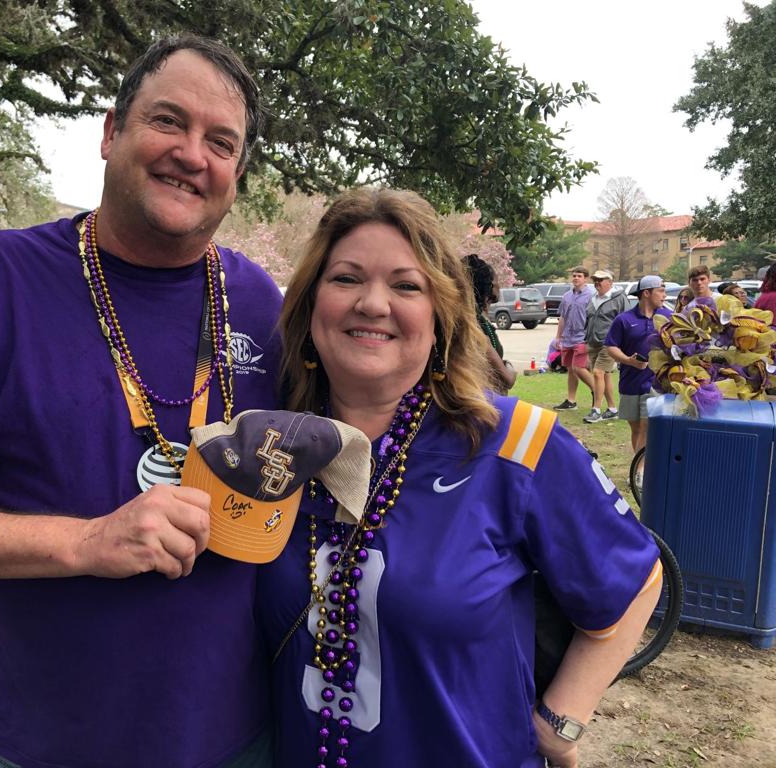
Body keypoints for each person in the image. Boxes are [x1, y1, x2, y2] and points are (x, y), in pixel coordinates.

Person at [0, 35, 282, 768]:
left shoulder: (256, 298)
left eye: (221, 141)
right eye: (168, 121)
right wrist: (85, 543)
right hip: (49, 743)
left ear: (236, 172)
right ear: (112, 132)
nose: (191, 153)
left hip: (243, 738)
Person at [260, 188, 662, 768]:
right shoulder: (277, 444)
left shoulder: (516, 441)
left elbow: (638, 578)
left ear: (441, 313)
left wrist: (560, 723)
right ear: (309, 302)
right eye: (346, 278)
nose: (373, 303)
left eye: (406, 285)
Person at [605, 275, 672, 456]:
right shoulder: (624, 319)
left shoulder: (668, 317)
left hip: (656, 382)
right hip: (630, 382)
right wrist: (629, 361)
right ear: (646, 293)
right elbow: (610, 346)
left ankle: (640, 472)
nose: (664, 295)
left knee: (646, 427)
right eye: (661, 290)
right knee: (636, 429)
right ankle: (638, 466)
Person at [463, 253, 516, 392]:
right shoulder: (473, 327)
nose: (499, 285)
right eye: (497, 280)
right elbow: (507, 380)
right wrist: (508, 367)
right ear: (489, 285)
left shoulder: (472, 320)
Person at [582, 270, 625, 423]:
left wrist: (622, 342)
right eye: (595, 280)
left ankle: (596, 410)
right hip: (593, 342)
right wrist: (586, 339)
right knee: (604, 375)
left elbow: (624, 320)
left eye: (600, 280)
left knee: (598, 373)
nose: (597, 283)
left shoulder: (618, 298)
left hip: (610, 343)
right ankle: (612, 409)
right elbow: (588, 320)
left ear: (610, 282)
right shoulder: (593, 298)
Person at [553, 266, 594, 410]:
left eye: (580, 276)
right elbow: (562, 317)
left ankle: (597, 391)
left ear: (586, 278)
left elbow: (593, 318)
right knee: (570, 369)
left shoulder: (591, 295)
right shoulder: (566, 296)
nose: (576, 278)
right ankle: (571, 401)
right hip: (567, 338)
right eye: (574, 275)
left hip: (582, 337)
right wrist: (558, 337)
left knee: (579, 367)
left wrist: (590, 338)